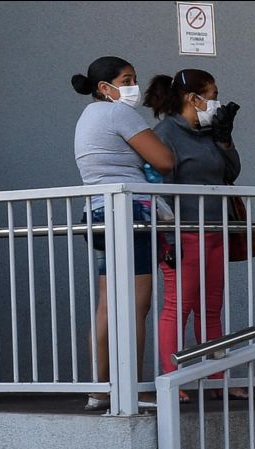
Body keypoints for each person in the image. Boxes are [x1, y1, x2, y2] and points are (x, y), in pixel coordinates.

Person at [72, 56, 175, 411]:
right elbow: (164, 160)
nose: (133, 86)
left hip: (97, 213)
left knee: (107, 306)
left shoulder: (88, 116)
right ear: (105, 87)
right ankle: (134, 389)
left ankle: (100, 389)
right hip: (129, 212)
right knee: (135, 305)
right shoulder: (118, 112)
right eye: (127, 79)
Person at [143, 69, 247, 401]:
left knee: (210, 309)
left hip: (215, 231)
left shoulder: (208, 132)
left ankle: (216, 378)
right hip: (184, 233)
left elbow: (231, 172)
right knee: (178, 307)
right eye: (212, 94)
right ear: (193, 98)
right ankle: (172, 380)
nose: (215, 101)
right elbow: (161, 189)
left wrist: (225, 138)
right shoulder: (166, 134)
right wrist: (169, 241)